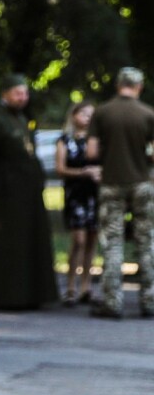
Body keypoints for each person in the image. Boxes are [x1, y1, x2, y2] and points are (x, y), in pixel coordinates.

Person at [0, 75, 58, 310]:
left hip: (29, 191)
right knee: (9, 245)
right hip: (7, 193)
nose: (23, 98)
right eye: (18, 93)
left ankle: (32, 295)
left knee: (32, 241)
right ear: (5, 94)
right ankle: (8, 297)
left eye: (25, 93)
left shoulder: (22, 118)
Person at [87, 67, 154, 319]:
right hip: (142, 183)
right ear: (139, 86)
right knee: (146, 242)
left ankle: (112, 302)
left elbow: (92, 152)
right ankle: (149, 301)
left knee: (113, 243)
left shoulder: (102, 112)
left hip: (111, 183)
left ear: (118, 85)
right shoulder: (148, 113)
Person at [55, 101, 100, 306]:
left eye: (91, 114)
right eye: (83, 113)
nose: (87, 118)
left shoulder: (96, 141)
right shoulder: (65, 141)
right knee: (78, 240)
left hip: (94, 195)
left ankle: (86, 286)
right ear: (74, 115)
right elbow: (60, 168)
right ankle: (70, 285)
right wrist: (83, 172)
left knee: (92, 240)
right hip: (76, 195)